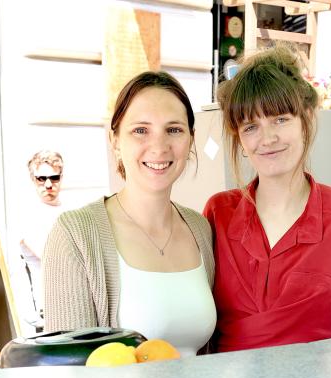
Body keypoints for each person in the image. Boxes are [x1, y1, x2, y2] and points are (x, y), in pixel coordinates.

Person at [203, 46, 331, 353]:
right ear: (239, 136)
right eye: (251, 127)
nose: (268, 138)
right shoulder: (219, 213)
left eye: (280, 119)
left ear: (306, 119)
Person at [42, 71, 216, 354]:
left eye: (174, 130)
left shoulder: (201, 229)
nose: (159, 147)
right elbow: (69, 367)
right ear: (115, 141)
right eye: (140, 130)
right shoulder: (75, 234)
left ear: (191, 139)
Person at [20, 150, 66, 320]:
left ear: (61, 178)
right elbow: (52, 257)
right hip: (49, 306)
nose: (48, 184)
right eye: (41, 179)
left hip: (76, 297)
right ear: (33, 179)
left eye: (54, 178)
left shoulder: (71, 209)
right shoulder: (28, 214)